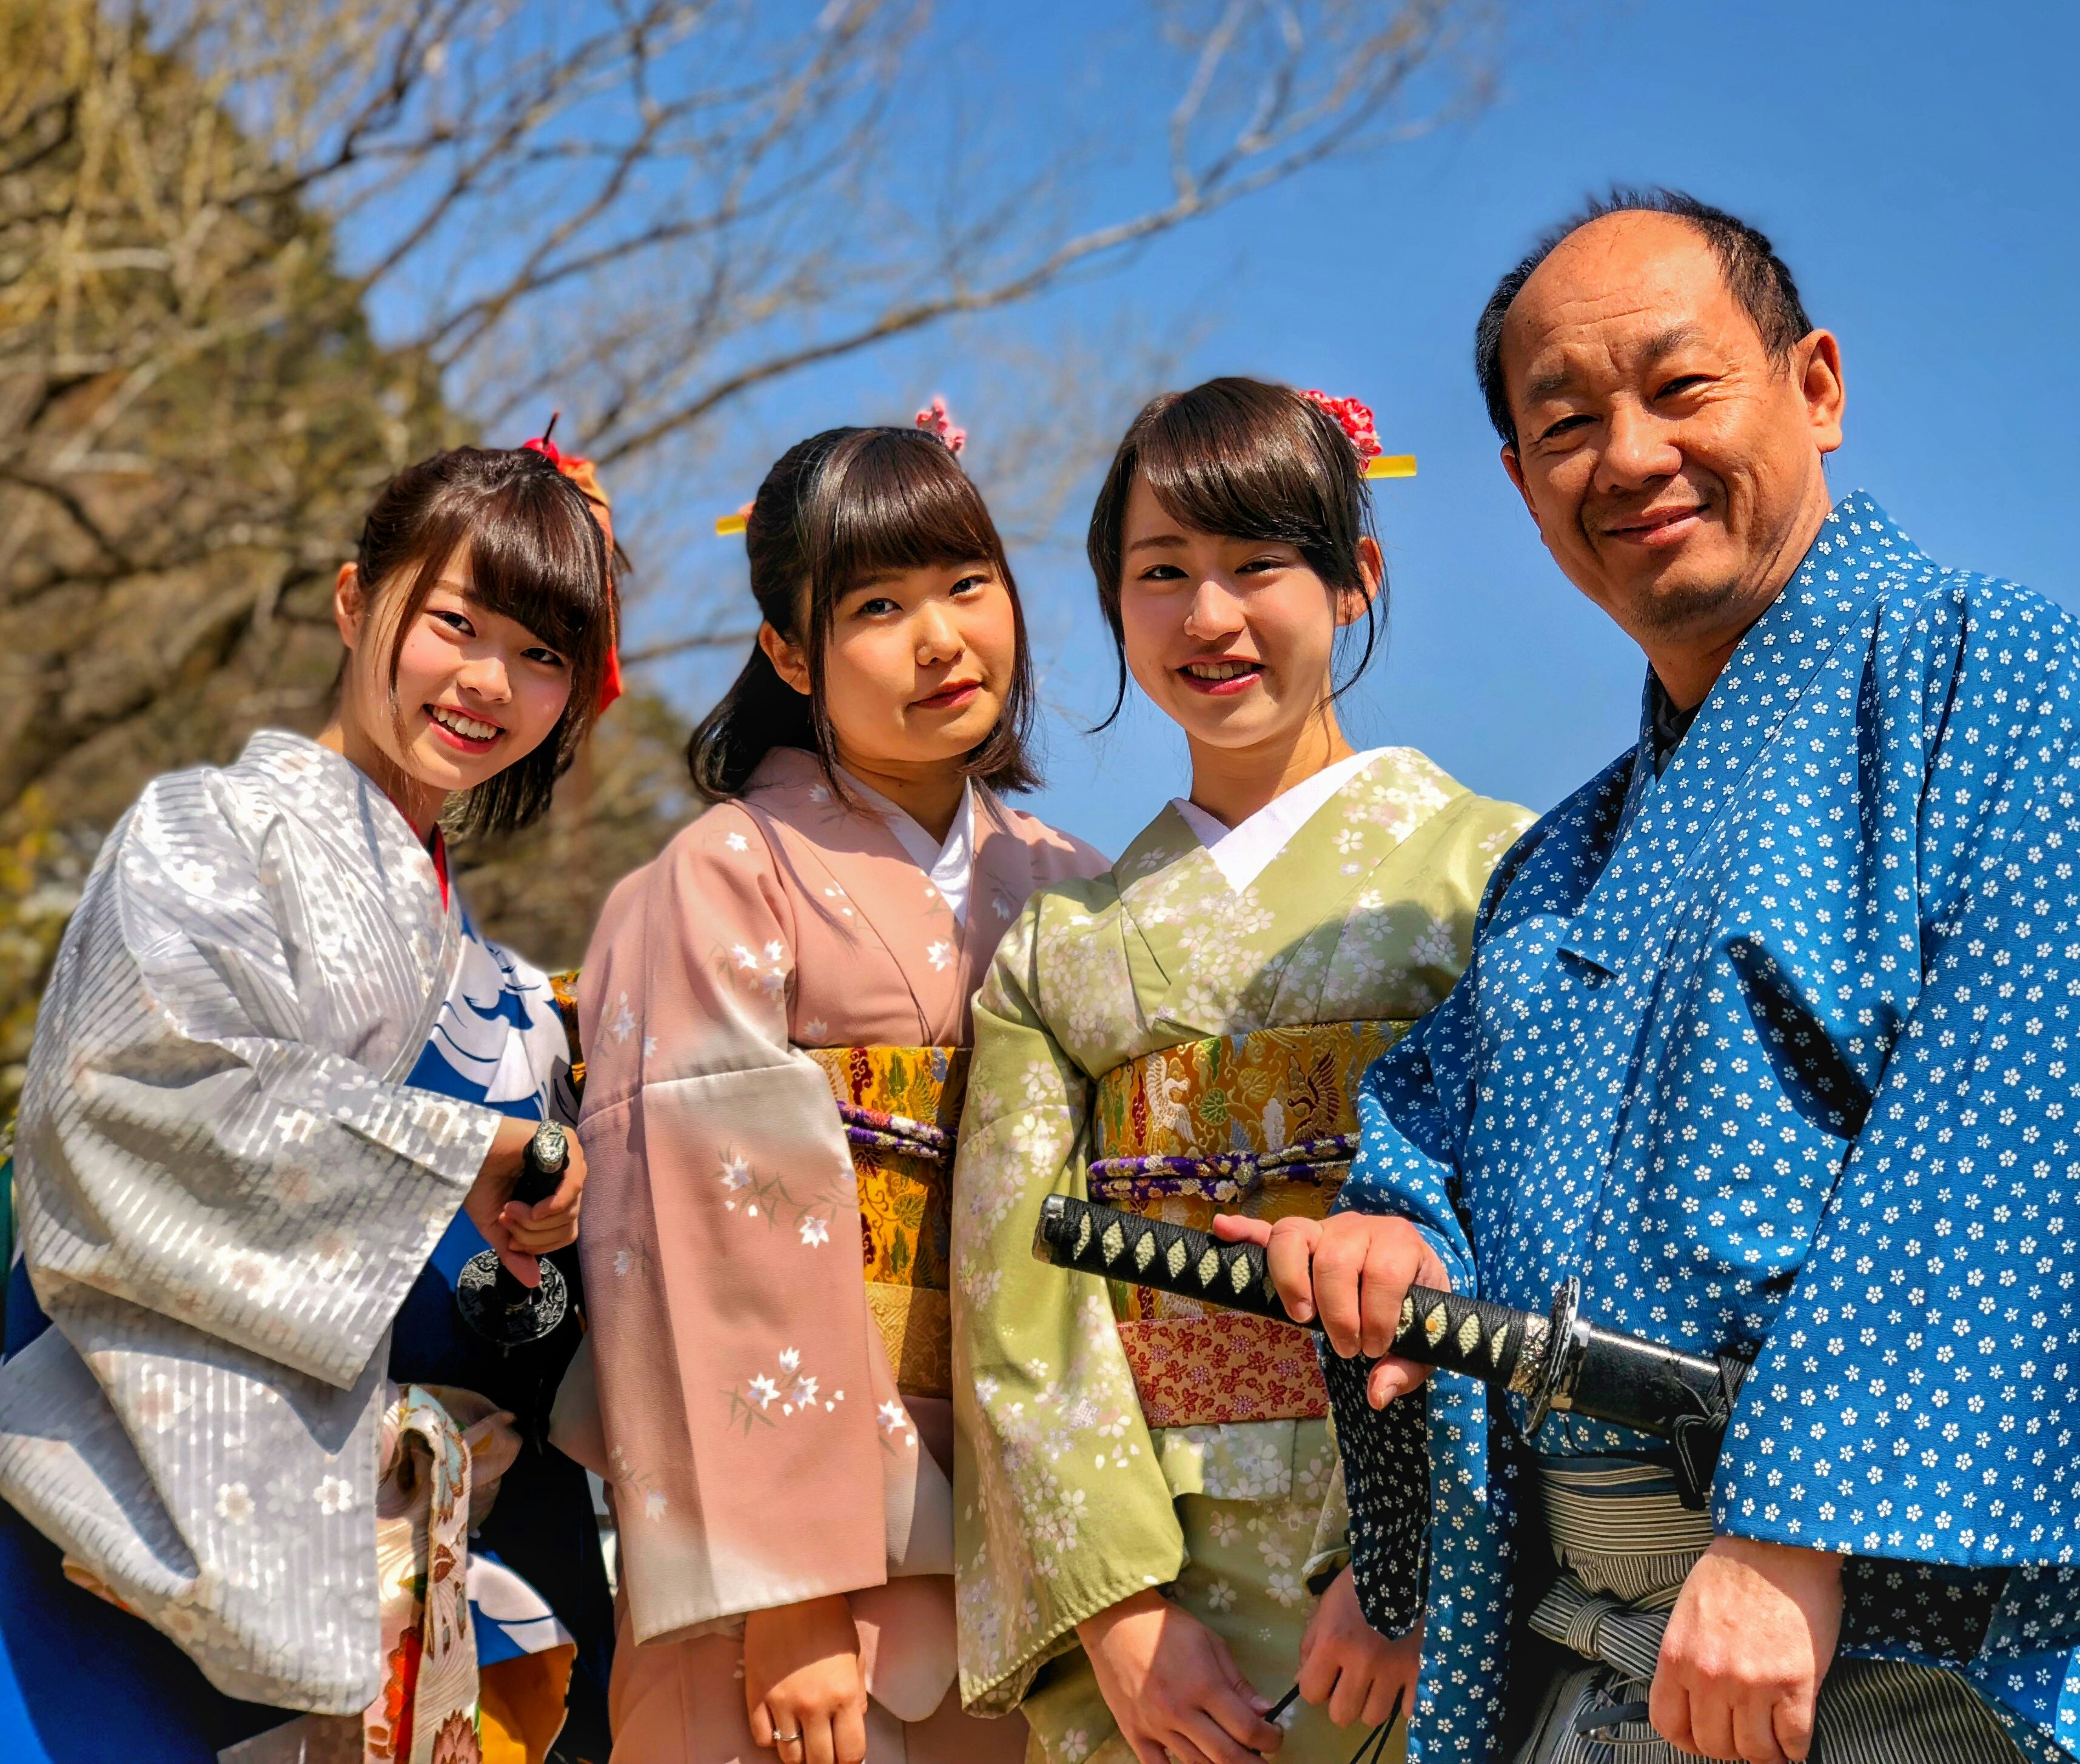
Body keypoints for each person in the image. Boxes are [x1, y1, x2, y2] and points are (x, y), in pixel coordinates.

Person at [1241, 189, 2080, 1764]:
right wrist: (1395, 1225)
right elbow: (1430, 1129)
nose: (1627, 456)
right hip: (1594, 1647)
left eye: (1680, 389)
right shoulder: (1560, 860)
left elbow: (2037, 1116)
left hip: (1901, 1642)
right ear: (1522, 486)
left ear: (1814, 384)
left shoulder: (2002, 687)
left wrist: (1799, 1522)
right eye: (1567, 423)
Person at [0, 440, 624, 1762]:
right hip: (167, 1494)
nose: (487, 682)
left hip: (412, 1547)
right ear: (355, 601)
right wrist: (455, 1153)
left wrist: (525, 1233)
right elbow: (136, 1097)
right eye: (454, 622)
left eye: (541, 655)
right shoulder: (206, 833)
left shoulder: (508, 983)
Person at [951, 378, 1534, 1764]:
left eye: (1256, 564)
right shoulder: (1059, 950)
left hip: (1419, 1580)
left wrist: (1407, 1566)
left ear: (1354, 579)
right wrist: (1115, 1611)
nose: (1207, 617)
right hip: (1157, 1631)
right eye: (1161, 575)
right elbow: (1010, 1295)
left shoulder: (1488, 872)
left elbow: (1531, 1232)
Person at [568, 413, 1099, 1764]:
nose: (941, 640)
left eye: (967, 587)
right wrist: (790, 1583)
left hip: (1035, 1553)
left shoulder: (1072, 884)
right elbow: (697, 1233)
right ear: (790, 653)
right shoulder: (716, 879)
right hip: (792, 1590)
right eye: (878, 605)